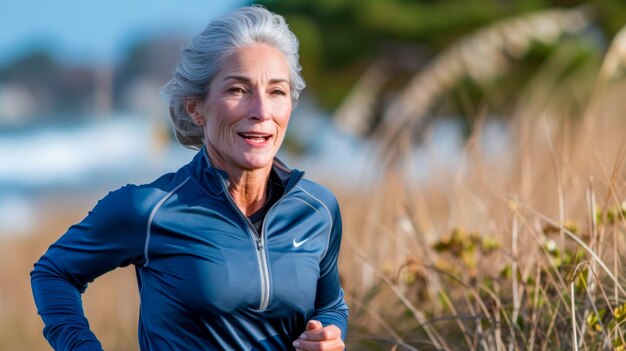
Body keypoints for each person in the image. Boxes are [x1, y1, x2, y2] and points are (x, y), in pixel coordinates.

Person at [30, 5, 348, 351]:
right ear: (196, 108)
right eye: (238, 90)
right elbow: (54, 273)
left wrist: (329, 333)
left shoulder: (318, 209)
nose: (261, 111)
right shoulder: (148, 209)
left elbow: (330, 305)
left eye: (276, 92)